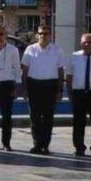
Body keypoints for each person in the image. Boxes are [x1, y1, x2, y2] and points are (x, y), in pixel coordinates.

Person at [21, 25, 65, 155]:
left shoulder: (57, 50)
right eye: (41, 33)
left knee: (48, 118)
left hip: (50, 86)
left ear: (50, 35)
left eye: (46, 34)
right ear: (37, 35)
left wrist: (59, 89)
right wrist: (24, 88)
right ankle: (36, 144)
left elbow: (60, 71)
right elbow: (24, 70)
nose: (43, 36)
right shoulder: (30, 49)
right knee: (34, 117)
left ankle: (45, 145)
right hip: (34, 85)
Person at [66, 33, 91, 157]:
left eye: (90, 42)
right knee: (78, 122)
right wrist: (69, 92)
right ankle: (79, 147)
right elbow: (69, 76)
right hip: (78, 93)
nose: (87, 44)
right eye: (85, 42)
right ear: (81, 43)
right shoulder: (74, 56)